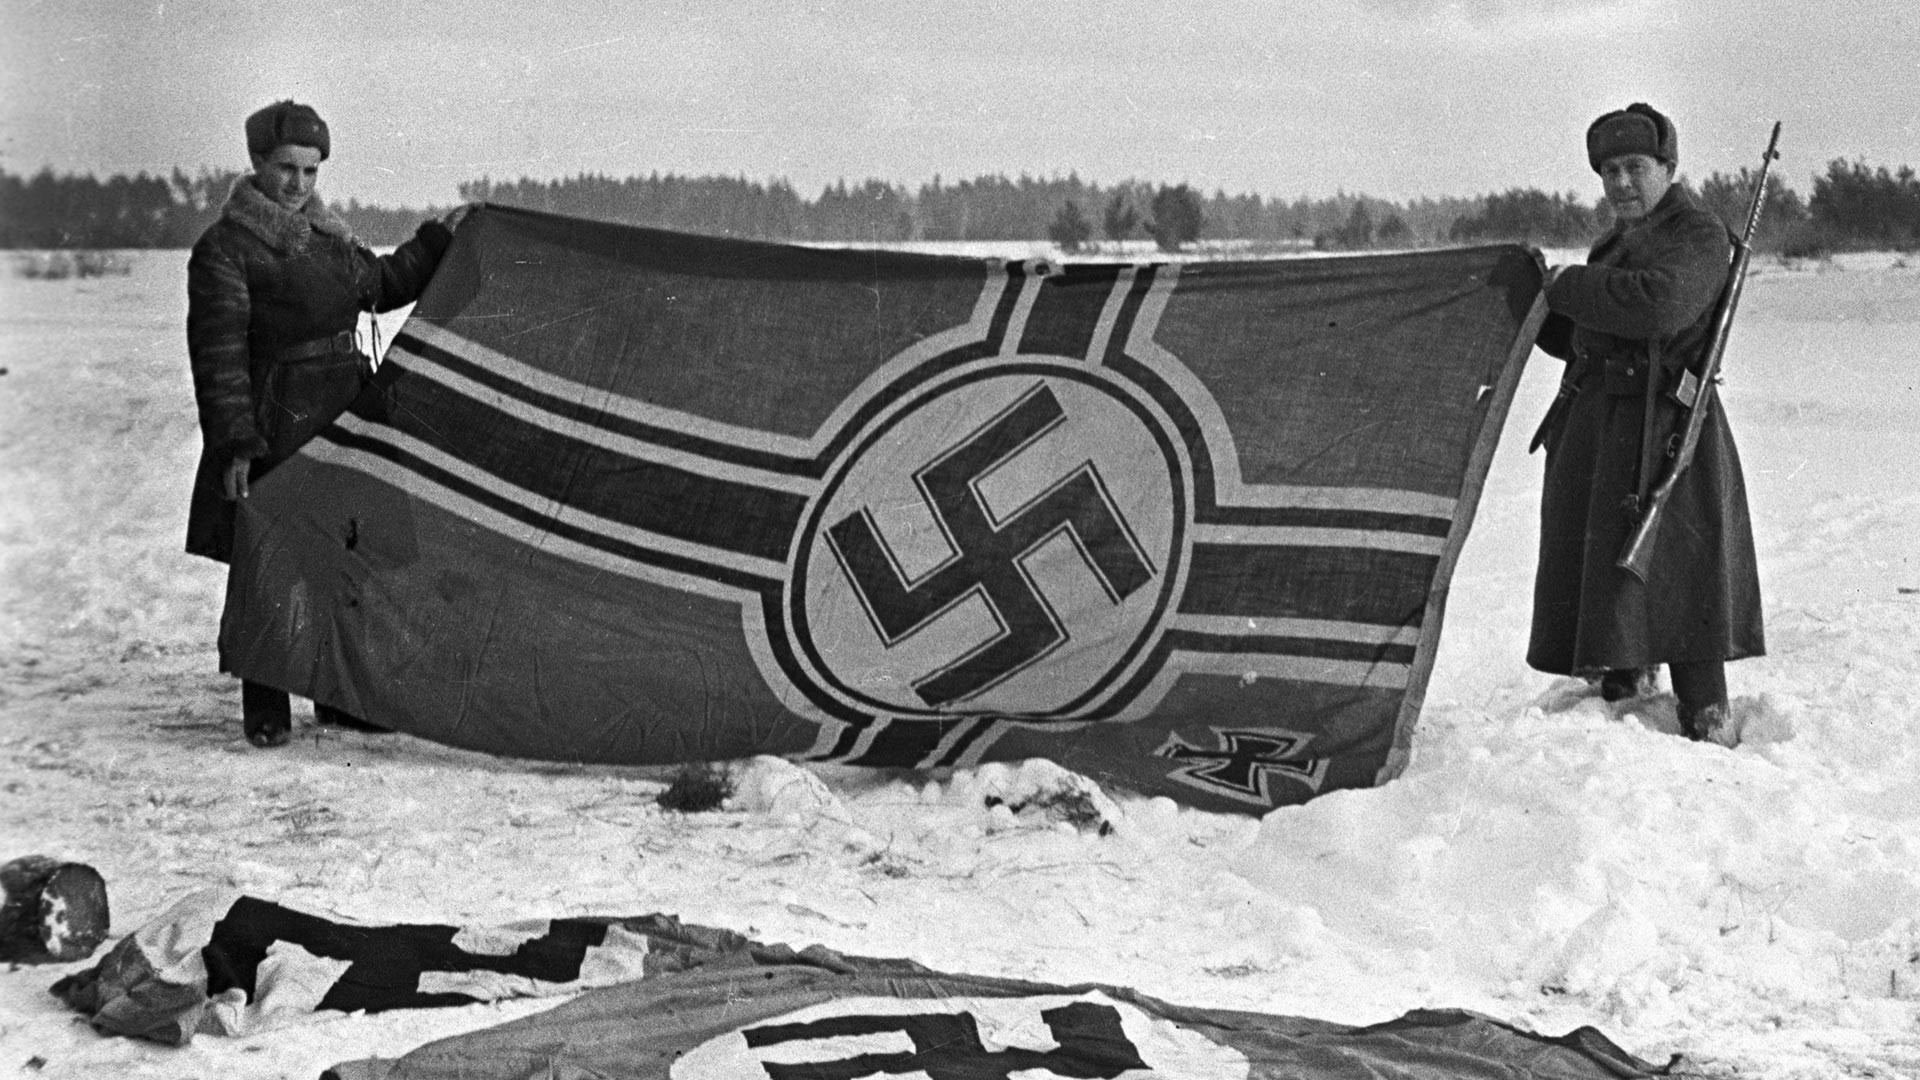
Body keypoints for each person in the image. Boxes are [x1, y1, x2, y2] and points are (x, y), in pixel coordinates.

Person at [184, 100, 465, 747]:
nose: (299, 185)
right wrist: (234, 445)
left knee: (345, 558)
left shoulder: (329, 239)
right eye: (286, 169)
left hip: (343, 416)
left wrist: (439, 240)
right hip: (274, 424)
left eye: (311, 172)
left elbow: (384, 283)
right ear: (256, 163)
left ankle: (340, 697)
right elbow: (220, 355)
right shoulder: (226, 249)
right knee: (271, 566)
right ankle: (267, 707)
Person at [1528, 102, 1764, 746]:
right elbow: (1590, 331)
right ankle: (1624, 696)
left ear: (1668, 165)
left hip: (1667, 428)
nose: (1620, 183)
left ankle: (1707, 720)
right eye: (1607, 171)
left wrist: (1566, 286)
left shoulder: (1696, 233)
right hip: (1605, 424)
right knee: (1610, 571)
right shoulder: (1617, 239)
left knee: (1681, 577)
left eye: (1634, 166)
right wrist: (1532, 300)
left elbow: (1657, 307)